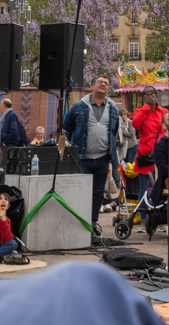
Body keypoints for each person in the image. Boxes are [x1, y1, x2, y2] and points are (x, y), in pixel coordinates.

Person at [63, 75, 120, 234]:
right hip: (82, 158)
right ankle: (79, 224)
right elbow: (66, 129)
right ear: (93, 86)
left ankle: (92, 222)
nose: (103, 84)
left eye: (106, 83)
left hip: (102, 158)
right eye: (100, 82)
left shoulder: (113, 110)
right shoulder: (78, 106)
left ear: (108, 89)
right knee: (80, 191)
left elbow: (113, 133)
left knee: (97, 193)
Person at [131, 86, 167, 213]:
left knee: (161, 186)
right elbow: (135, 124)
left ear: (156, 97)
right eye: (145, 95)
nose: (149, 96)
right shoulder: (140, 110)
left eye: (152, 94)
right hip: (145, 155)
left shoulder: (164, 112)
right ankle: (143, 217)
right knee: (143, 188)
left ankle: (159, 215)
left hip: (161, 154)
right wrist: (146, 107)